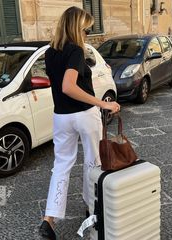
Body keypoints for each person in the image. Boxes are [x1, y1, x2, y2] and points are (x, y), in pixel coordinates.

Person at [39, 6, 120, 240]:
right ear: (77, 28)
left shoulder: (50, 52)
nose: (87, 34)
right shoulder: (75, 51)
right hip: (84, 114)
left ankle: (49, 220)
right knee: (93, 162)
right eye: (86, 30)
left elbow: (60, 86)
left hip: (61, 117)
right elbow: (68, 86)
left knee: (61, 166)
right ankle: (92, 209)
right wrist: (102, 103)